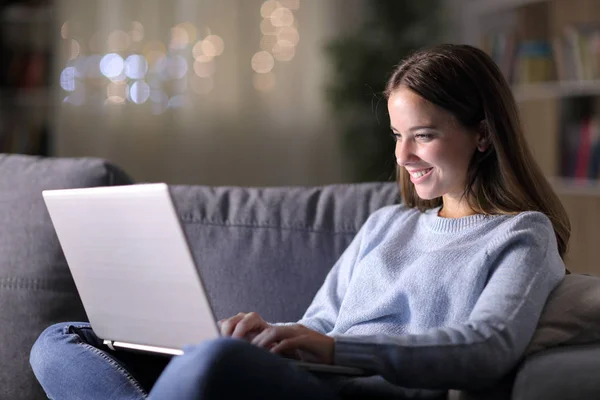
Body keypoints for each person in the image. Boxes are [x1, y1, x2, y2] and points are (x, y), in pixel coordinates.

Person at [29, 43, 570, 400]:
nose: (404, 156)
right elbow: (321, 324)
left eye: (423, 134)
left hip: (364, 393)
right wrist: (269, 335)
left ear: (483, 134)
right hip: (305, 380)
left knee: (214, 364)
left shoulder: (521, 233)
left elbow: (487, 347)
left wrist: (333, 350)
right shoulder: (387, 223)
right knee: (62, 339)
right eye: (397, 135)